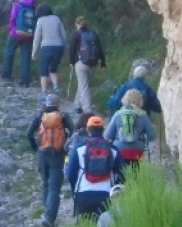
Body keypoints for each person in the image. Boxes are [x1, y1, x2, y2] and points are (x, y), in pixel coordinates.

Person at [26, 93, 74, 227]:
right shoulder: (63, 117)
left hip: (42, 153)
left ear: (46, 103)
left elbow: (28, 134)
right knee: (54, 187)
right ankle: (49, 217)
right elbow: (74, 131)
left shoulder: (40, 115)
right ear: (58, 104)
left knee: (45, 183)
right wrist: (65, 146)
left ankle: (46, 212)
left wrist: (36, 148)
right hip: (57, 155)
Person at [66, 116, 123, 221]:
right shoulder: (113, 150)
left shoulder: (79, 148)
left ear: (88, 129)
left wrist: (74, 190)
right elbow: (122, 174)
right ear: (103, 129)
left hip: (83, 194)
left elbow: (70, 174)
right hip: (106, 194)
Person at [104, 89, 156, 176]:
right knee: (135, 175)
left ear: (125, 99)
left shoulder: (118, 114)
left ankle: (119, 186)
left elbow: (108, 135)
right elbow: (151, 136)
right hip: (137, 150)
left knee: (120, 175)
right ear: (140, 101)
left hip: (119, 149)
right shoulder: (143, 115)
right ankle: (134, 187)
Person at [68, 16, 106, 114]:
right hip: (93, 64)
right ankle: (77, 105)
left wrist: (71, 62)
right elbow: (100, 48)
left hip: (80, 63)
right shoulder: (93, 34)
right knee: (83, 84)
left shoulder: (77, 35)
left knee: (83, 86)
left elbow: (72, 49)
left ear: (77, 24)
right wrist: (103, 62)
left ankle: (87, 110)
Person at [32, 4, 66, 101]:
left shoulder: (40, 21)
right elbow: (63, 35)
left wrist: (33, 53)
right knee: (53, 69)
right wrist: (64, 48)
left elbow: (37, 38)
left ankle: (44, 93)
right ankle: (56, 87)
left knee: (43, 71)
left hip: (46, 47)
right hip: (58, 47)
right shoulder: (57, 19)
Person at [2, 0, 37, 87]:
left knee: (9, 52)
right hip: (29, 35)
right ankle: (25, 81)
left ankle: (6, 75)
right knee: (25, 56)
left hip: (16, 33)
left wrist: (11, 29)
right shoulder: (33, 6)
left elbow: (13, 18)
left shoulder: (17, 5)